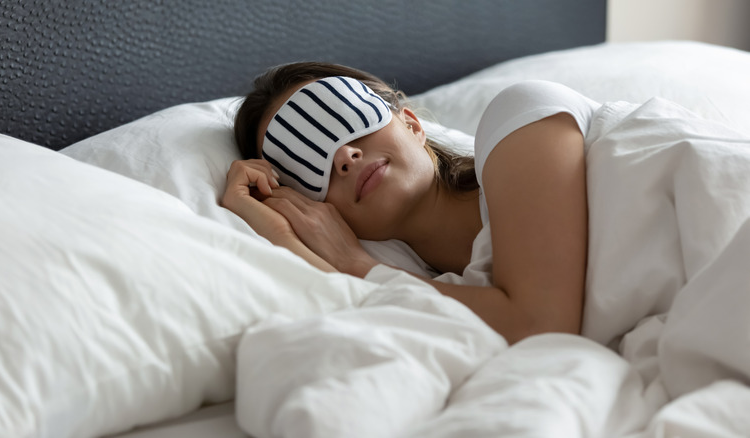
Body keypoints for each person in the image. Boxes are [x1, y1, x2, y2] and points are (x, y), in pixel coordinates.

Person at [222, 62, 593, 344]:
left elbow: (539, 327)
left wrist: (355, 263)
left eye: (344, 119)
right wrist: (282, 235)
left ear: (412, 125)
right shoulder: (445, 293)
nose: (344, 157)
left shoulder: (521, 119)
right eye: (306, 162)